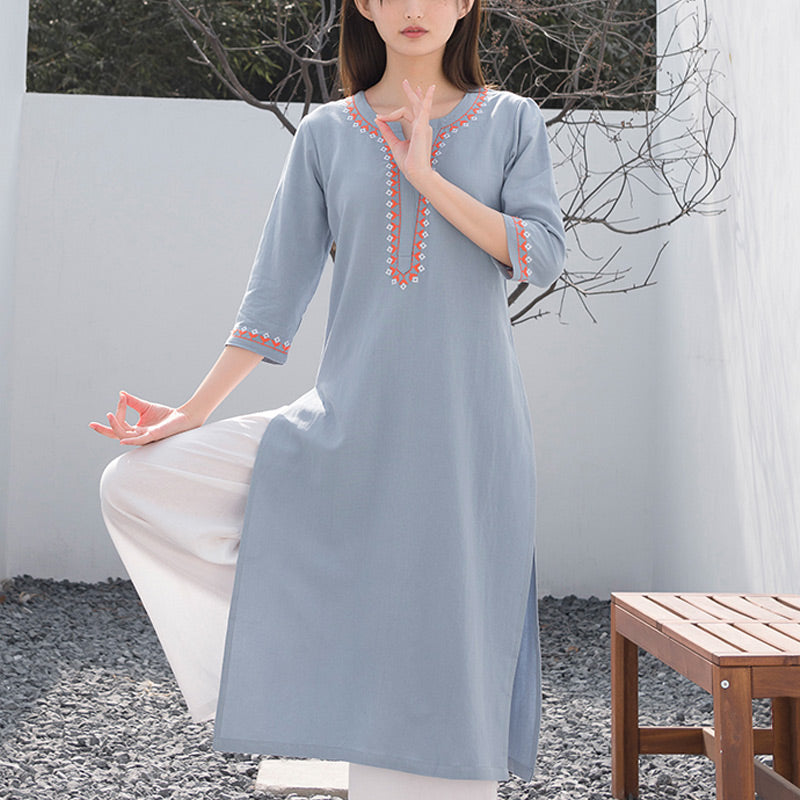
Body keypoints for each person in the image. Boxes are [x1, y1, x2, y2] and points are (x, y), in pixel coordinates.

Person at [91, 0, 566, 795]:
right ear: (365, 7)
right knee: (136, 484)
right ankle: (299, 654)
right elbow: (274, 297)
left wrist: (426, 177)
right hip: (350, 422)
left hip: (466, 435)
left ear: (465, 4)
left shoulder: (511, 121)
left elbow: (541, 255)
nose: (413, 9)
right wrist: (193, 412)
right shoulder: (325, 135)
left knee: (444, 660)